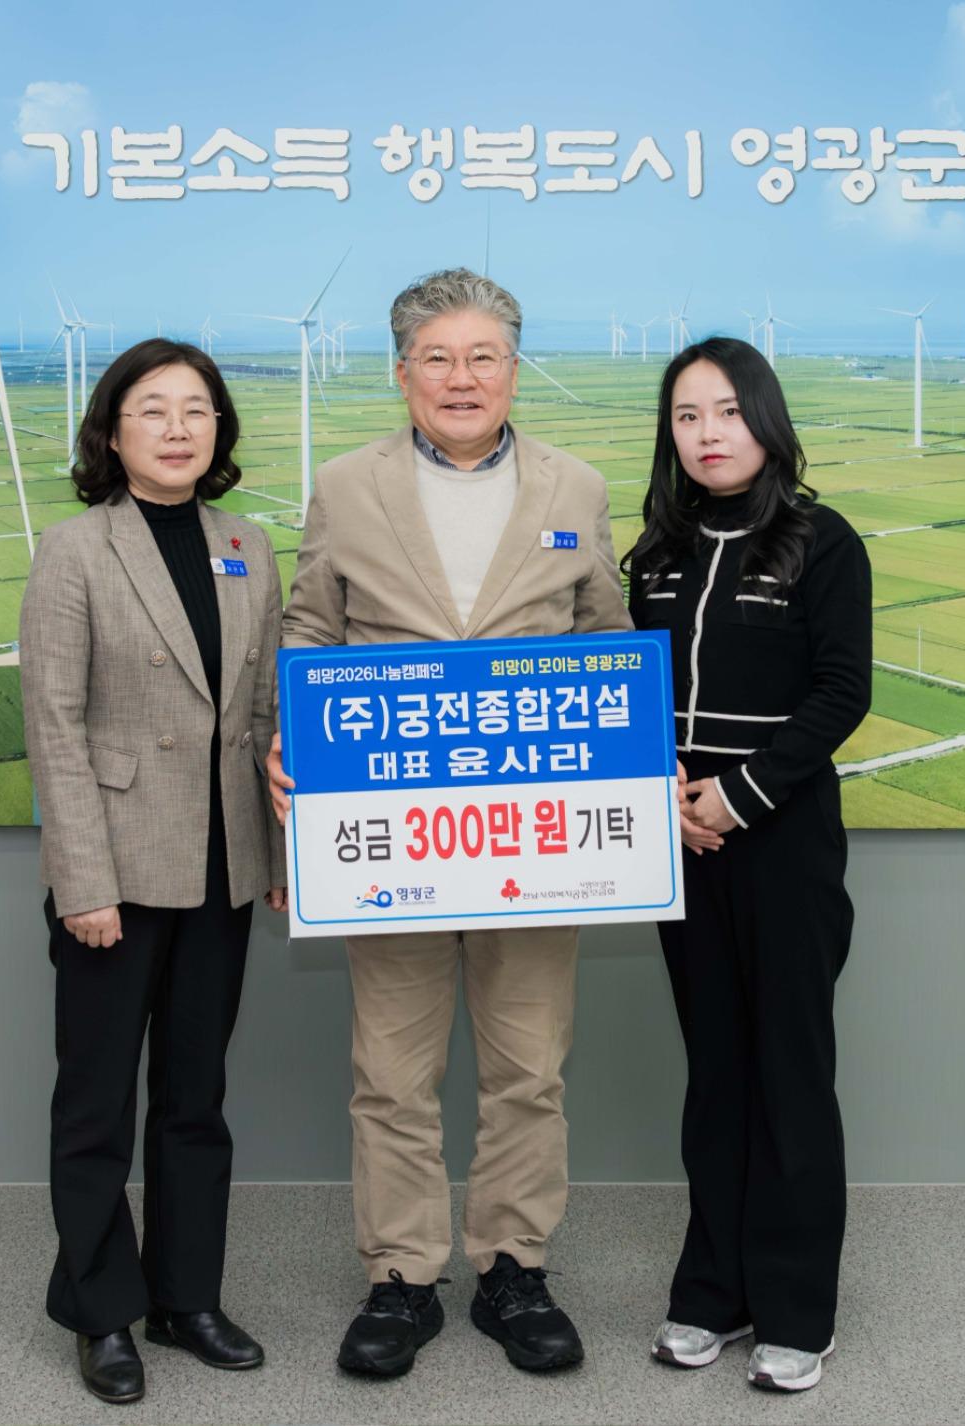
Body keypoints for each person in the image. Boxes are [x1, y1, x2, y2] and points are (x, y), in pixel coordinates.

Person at [267, 267, 629, 1378]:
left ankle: (513, 1266)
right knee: (392, 1072)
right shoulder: (344, 485)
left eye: (482, 357)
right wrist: (290, 741)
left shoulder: (576, 486)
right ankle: (402, 1276)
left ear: (514, 369)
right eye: (437, 358)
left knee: (528, 1068)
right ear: (401, 373)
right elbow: (308, 632)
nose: (460, 377)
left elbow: (606, 643)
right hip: (393, 837)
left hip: (532, 837)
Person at [19, 338, 286, 1407]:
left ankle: (186, 1298)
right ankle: (101, 1311)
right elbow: (54, 725)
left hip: (223, 866)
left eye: (196, 410)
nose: (178, 428)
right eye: (153, 409)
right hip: (118, 872)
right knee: (96, 1106)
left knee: (195, 1097)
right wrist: (81, 880)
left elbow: (262, 714)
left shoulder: (248, 545)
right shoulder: (75, 550)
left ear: (219, 430)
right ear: (112, 430)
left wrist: (279, 855)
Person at [624, 337, 871, 1393]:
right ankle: (712, 1291)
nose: (707, 433)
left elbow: (840, 690)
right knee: (715, 1071)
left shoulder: (820, 540)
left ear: (764, 419)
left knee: (788, 1074)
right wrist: (667, 795)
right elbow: (628, 692)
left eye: (726, 411)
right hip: (682, 846)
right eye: (686, 416)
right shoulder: (656, 553)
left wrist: (739, 793)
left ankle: (796, 1308)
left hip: (782, 843)